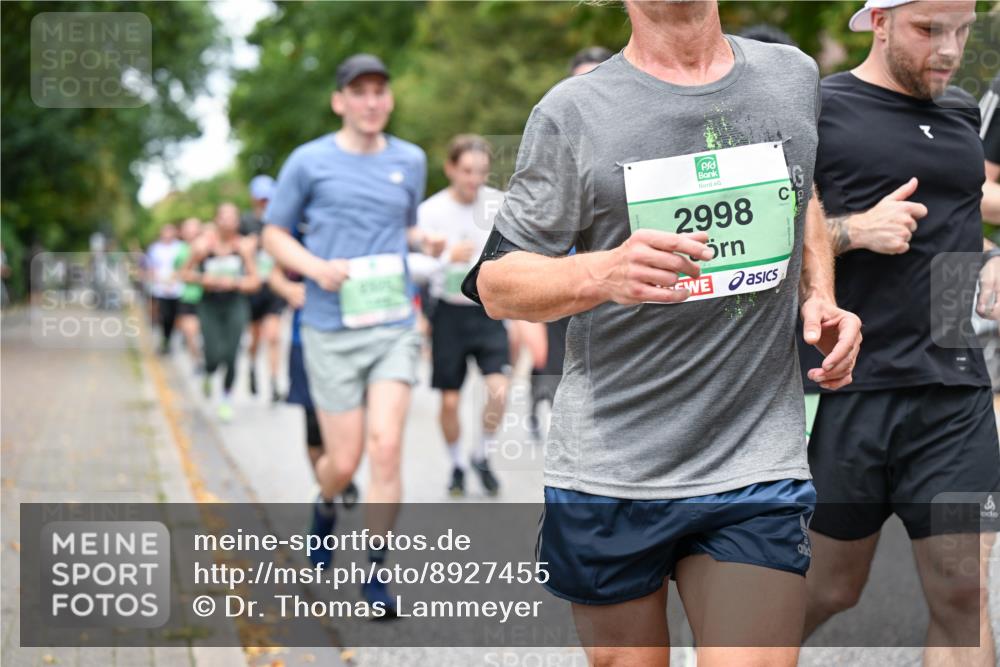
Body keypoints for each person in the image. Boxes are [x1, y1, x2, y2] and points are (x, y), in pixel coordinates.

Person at [466, 1, 861, 664]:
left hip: (752, 458)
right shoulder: (574, 112)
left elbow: (803, 192)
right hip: (612, 468)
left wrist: (819, 294)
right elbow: (496, 282)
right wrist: (603, 271)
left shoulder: (791, 77)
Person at [796, 3, 999, 665]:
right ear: (878, 21)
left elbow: (961, 223)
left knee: (964, 593)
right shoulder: (820, 107)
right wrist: (856, 230)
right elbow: (774, 245)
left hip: (954, 391)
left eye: (962, 30)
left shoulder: (963, 112)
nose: (949, 49)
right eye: (928, 30)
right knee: (831, 587)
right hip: (851, 389)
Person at [262, 53, 444, 615]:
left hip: (391, 322)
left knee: (386, 447)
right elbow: (273, 234)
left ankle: (376, 575)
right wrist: (315, 268)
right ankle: (325, 502)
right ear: (340, 100)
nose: (371, 102)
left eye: (379, 92)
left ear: (389, 100)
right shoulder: (308, 162)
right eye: (359, 92)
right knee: (343, 462)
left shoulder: (409, 160)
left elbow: (402, 226)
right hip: (328, 326)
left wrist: (425, 241)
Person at [418, 134, 509, 498]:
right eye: (468, 171)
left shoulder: (499, 204)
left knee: (499, 391)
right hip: (448, 315)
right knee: (450, 401)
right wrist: (445, 258)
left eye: (482, 172)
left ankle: (481, 455)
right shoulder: (430, 211)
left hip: (488, 311)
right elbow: (417, 266)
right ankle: (456, 463)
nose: (475, 180)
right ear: (451, 168)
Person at [268, 229, 359, 508]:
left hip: (352, 337)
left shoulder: (357, 228)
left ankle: (342, 472)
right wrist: (288, 289)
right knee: (313, 422)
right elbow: (275, 274)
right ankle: (325, 487)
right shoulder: (301, 229)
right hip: (305, 339)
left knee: (350, 420)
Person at [181, 204, 259, 422]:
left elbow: (255, 281)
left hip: (235, 304)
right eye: (223, 217)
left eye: (232, 217)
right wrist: (203, 279)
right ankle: (208, 370)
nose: (227, 222)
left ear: (237, 222)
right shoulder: (203, 247)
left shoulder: (243, 247)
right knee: (214, 354)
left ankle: (226, 398)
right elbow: (184, 273)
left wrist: (235, 282)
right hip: (210, 305)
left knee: (232, 354)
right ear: (216, 220)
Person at [241, 175, 286, 403]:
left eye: (269, 198)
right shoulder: (244, 222)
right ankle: (251, 365)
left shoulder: (281, 221)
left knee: (274, 335)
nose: (265, 202)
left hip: (274, 286)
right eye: (261, 198)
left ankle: (274, 381)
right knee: (256, 337)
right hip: (253, 289)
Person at [145, 223, 183, 355]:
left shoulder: (180, 247)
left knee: (174, 317)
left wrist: (174, 280)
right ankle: (164, 340)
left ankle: (169, 339)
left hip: (177, 287)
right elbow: (151, 267)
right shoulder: (155, 248)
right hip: (160, 287)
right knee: (163, 315)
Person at [173, 217, 204, 367]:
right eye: (188, 229)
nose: (191, 232)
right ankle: (196, 361)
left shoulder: (208, 246)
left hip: (206, 297)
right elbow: (179, 273)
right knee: (191, 332)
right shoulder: (180, 250)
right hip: (188, 297)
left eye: (194, 228)